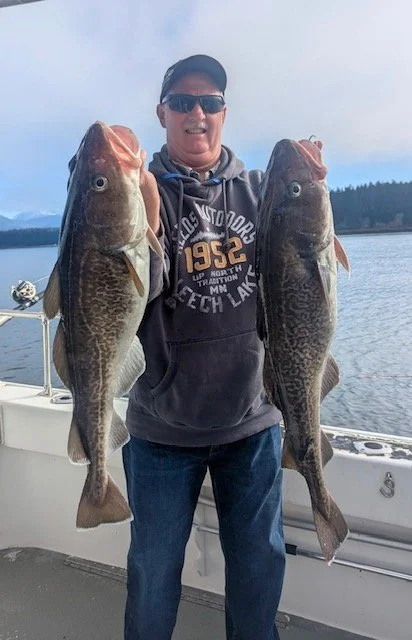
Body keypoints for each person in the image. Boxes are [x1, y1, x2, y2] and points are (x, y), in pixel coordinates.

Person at [123, 54, 285, 640]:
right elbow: (142, 286)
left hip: (253, 423)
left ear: (223, 114)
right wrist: (135, 199)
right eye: (184, 102)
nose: (198, 113)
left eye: (211, 102)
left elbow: (295, 284)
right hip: (163, 430)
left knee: (259, 572)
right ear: (162, 112)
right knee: (153, 572)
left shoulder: (262, 191)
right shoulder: (144, 190)